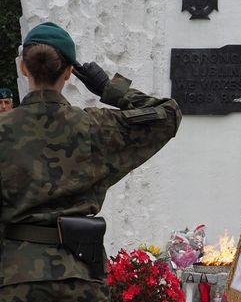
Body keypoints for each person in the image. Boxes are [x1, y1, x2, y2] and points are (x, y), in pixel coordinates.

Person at [0, 22, 181, 301]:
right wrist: (108, 87)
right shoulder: (94, 127)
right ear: (70, 72)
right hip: (80, 276)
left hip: (14, 278)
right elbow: (168, 115)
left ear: (24, 68)